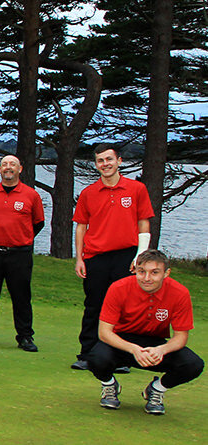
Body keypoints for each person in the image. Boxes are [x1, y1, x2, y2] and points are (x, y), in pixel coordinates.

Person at [89, 249, 202, 415]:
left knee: (193, 364)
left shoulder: (180, 293)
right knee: (95, 358)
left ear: (166, 273)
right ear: (135, 269)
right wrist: (134, 349)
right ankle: (109, 386)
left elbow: (180, 337)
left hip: (155, 344)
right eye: (141, 272)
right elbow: (104, 333)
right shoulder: (118, 288)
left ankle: (156, 389)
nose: (147, 278)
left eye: (154, 272)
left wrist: (161, 350)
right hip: (122, 343)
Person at [72, 144, 154, 371]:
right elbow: (81, 227)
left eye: (109, 159)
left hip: (127, 256)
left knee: (125, 308)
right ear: (96, 164)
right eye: (100, 160)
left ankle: (122, 357)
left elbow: (143, 223)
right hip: (96, 257)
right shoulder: (89, 193)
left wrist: (140, 256)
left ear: (119, 161)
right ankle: (87, 354)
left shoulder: (136, 189)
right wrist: (79, 258)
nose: (105, 164)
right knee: (93, 306)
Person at [0, 155, 45, 351]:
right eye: (4, 164)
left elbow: (38, 223)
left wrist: (20, 238)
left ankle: (25, 337)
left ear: (20, 169)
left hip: (20, 254)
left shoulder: (31, 195)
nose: (8, 167)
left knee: (21, 296)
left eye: (12, 164)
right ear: (0, 169)